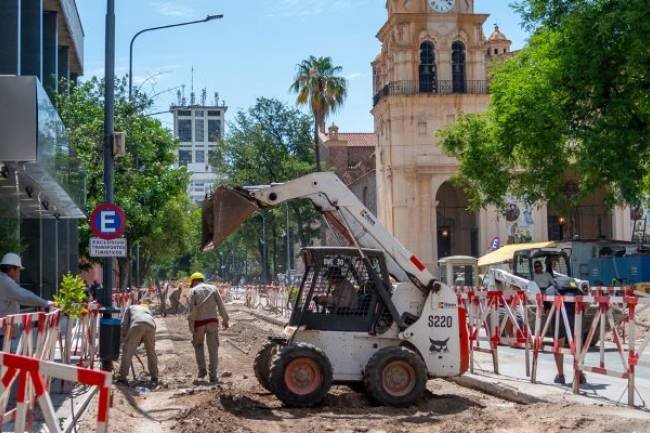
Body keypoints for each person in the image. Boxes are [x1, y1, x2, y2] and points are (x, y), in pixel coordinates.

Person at [187, 272, 229, 383]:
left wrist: (191, 327)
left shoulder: (193, 291)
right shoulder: (213, 289)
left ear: (193, 281)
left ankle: (202, 370)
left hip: (199, 324)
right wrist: (225, 320)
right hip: (212, 323)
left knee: (198, 345)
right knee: (213, 349)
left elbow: (191, 311)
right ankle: (213, 376)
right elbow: (221, 306)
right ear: (202, 279)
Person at [0, 253, 53, 318]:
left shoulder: (3, 279)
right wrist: (46, 303)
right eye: (19, 270)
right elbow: (25, 296)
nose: (19, 273)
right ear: (12, 269)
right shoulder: (6, 282)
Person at [117, 304, 158, 385]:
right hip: (151, 326)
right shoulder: (147, 310)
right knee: (151, 352)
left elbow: (124, 324)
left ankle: (122, 378)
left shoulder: (130, 308)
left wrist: (125, 339)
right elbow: (150, 325)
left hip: (137, 324)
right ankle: (155, 376)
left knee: (127, 351)